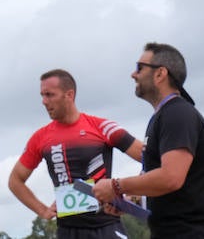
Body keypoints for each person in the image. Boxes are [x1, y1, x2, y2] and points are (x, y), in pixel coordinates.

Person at [92, 43, 204, 238]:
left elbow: (171, 178)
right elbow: (172, 186)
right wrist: (130, 201)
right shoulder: (165, 116)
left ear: (160, 74)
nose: (133, 74)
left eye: (140, 67)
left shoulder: (177, 113)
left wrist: (115, 186)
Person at [8, 69, 142, 237]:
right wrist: (42, 210)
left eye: (49, 95)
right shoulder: (40, 137)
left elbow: (149, 158)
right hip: (68, 231)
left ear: (69, 95)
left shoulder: (101, 127)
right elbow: (15, 180)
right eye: (42, 95)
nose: (44, 101)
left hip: (107, 227)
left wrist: (132, 192)